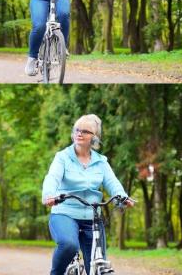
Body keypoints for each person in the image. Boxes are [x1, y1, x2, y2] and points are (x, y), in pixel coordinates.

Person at [42, 114, 134, 275]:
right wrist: (49, 194)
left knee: (97, 262)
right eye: (77, 130)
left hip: (92, 217)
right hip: (65, 212)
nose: (79, 133)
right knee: (69, 245)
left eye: (85, 131)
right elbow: (53, 177)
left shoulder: (101, 161)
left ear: (95, 138)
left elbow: (112, 182)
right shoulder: (62, 157)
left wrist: (122, 197)